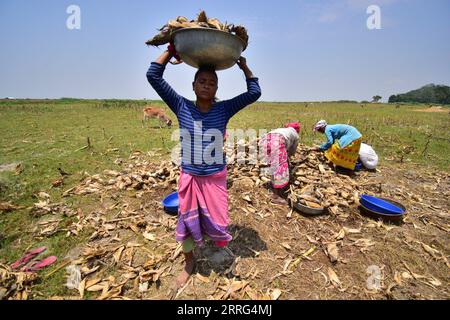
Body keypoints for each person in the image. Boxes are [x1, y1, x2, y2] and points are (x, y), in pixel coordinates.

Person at [146, 44, 261, 289]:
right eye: (202, 81)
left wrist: (244, 66)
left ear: (217, 88)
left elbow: (254, 93)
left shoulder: (224, 109)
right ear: (194, 86)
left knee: (217, 221)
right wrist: (171, 51)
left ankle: (214, 248)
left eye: (212, 82)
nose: (207, 85)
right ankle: (189, 262)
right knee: (186, 222)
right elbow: (153, 75)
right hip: (190, 177)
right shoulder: (181, 105)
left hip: (214, 177)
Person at [259, 122, 300, 204]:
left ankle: (273, 183)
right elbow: (292, 150)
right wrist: (288, 156)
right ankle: (276, 196)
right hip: (277, 141)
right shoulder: (295, 135)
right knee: (280, 167)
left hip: (264, 140)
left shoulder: (283, 130)